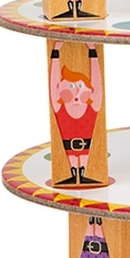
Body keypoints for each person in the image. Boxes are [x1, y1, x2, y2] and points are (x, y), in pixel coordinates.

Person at [49, 42, 103, 186]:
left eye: (80, 86)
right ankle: (72, 173)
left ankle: (83, 172)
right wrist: (55, 53)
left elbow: (97, 82)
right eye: (71, 86)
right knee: (69, 151)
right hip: (68, 143)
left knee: (86, 150)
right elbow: (53, 83)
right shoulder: (59, 107)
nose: (76, 91)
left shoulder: (93, 106)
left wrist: (93, 52)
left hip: (86, 143)